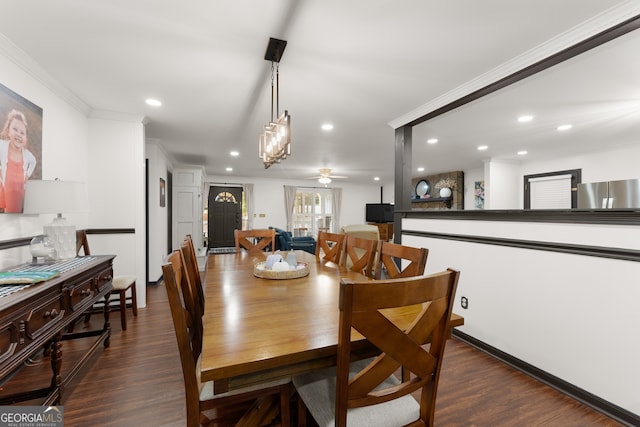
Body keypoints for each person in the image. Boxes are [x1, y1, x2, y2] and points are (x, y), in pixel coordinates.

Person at [0, 109, 37, 213]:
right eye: (15, 129)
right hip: (7, 186)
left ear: (25, 138)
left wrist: (27, 175)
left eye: (22, 133)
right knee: (9, 210)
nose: (19, 134)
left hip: (20, 187)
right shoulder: (2, 146)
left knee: (18, 207)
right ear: (8, 131)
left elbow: (33, 161)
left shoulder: (27, 154)